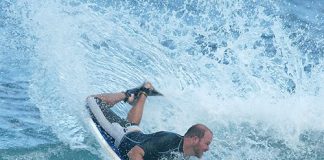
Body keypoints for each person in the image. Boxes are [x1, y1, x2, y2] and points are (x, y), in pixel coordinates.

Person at [87, 82, 213, 160]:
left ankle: (144, 91)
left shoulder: (185, 153)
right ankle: (126, 95)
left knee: (133, 126)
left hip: (135, 133)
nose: (207, 148)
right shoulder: (169, 140)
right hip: (121, 134)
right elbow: (134, 153)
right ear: (195, 139)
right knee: (92, 101)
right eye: (207, 143)